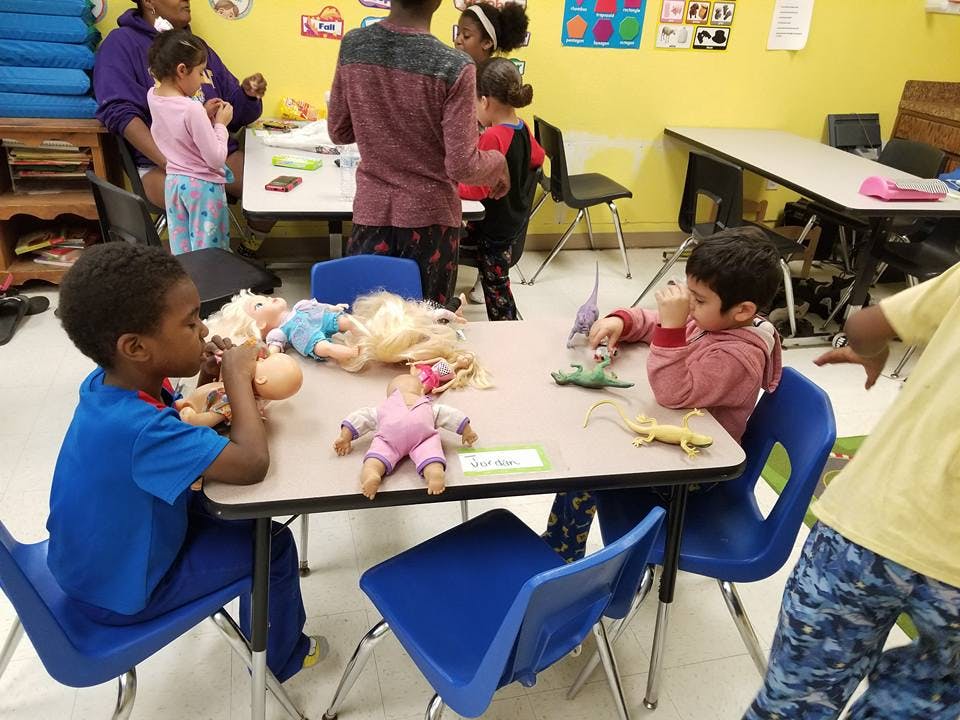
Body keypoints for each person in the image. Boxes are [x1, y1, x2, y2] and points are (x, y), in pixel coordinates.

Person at [46, 243, 326, 682]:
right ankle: (283, 659)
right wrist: (235, 378)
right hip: (119, 592)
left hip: (90, 561)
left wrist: (209, 382)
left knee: (237, 515)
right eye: (190, 321)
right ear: (136, 346)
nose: (202, 330)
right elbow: (251, 464)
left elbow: (180, 417)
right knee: (271, 546)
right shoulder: (139, 431)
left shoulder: (110, 385)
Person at [744, 265, 960, 720]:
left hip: (862, 530)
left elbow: (863, 325)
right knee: (926, 699)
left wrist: (871, 349)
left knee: (790, 704)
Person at [543, 228, 784, 562]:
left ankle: (561, 555)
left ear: (743, 311)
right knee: (586, 454)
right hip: (673, 447)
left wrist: (670, 329)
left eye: (697, 301)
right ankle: (558, 542)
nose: (689, 306)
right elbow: (654, 322)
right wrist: (622, 322)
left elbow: (672, 392)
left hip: (695, 474)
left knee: (585, 473)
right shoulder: (713, 321)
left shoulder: (737, 357)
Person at [327, 0, 510, 305]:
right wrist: (498, 162)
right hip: (431, 223)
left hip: (372, 215)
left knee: (367, 326)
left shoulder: (353, 46)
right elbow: (462, 165)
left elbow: (339, 131)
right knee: (427, 328)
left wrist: (379, 120)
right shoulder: (454, 66)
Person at [93, 0, 271, 256]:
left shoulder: (195, 47)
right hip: (165, 163)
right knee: (199, 203)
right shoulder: (121, 44)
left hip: (213, 153)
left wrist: (248, 95)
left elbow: (236, 111)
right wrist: (173, 161)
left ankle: (246, 251)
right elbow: (118, 111)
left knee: (271, 183)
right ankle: (208, 268)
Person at [458, 58, 544, 320]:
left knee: (496, 287)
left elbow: (477, 189)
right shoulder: (521, 128)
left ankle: (508, 327)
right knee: (497, 280)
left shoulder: (494, 136)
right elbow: (538, 157)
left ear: (484, 101)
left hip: (492, 227)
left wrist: (452, 183)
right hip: (512, 220)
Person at [146, 30, 234, 254]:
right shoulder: (191, 108)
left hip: (174, 184)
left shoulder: (153, 96)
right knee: (210, 252)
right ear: (182, 70)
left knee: (183, 250)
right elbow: (215, 159)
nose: (203, 78)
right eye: (200, 72)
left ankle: (190, 288)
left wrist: (204, 115)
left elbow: (177, 129)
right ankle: (213, 289)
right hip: (202, 188)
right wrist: (220, 125)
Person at [454, 1, 531, 64]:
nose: (457, 41)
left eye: (466, 36)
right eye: (458, 34)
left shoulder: (494, 79)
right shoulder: (452, 72)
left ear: (487, 43)